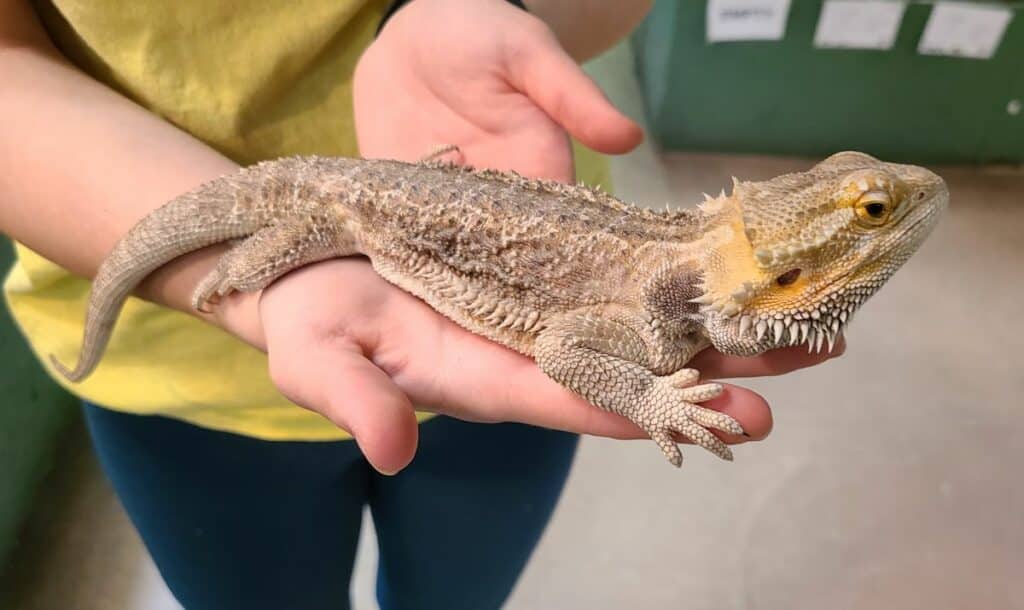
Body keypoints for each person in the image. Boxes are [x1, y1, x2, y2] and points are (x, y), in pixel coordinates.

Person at [0, 1, 842, 608]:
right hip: (177, 385)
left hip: (479, 348)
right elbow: (563, 353)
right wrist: (227, 278)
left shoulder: (674, 288)